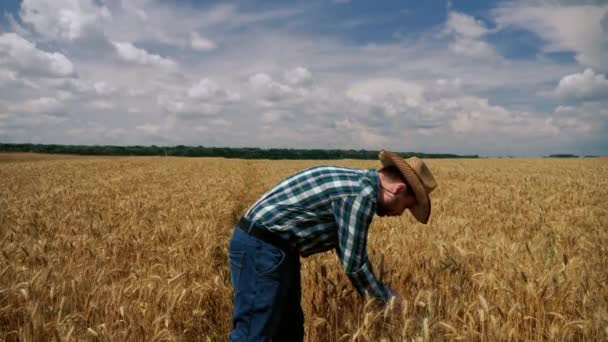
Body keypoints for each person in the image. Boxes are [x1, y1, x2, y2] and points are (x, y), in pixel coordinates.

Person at [228, 150, 437, 341]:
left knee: (289, 331)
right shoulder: (360, 195)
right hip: (261, 247)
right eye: (406, 206)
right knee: (252, 335)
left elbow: (345, 246)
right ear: (399, 189)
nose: (399, 214)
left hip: (275, 249)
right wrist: (388, 300)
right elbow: (354, 264)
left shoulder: (356, 183)